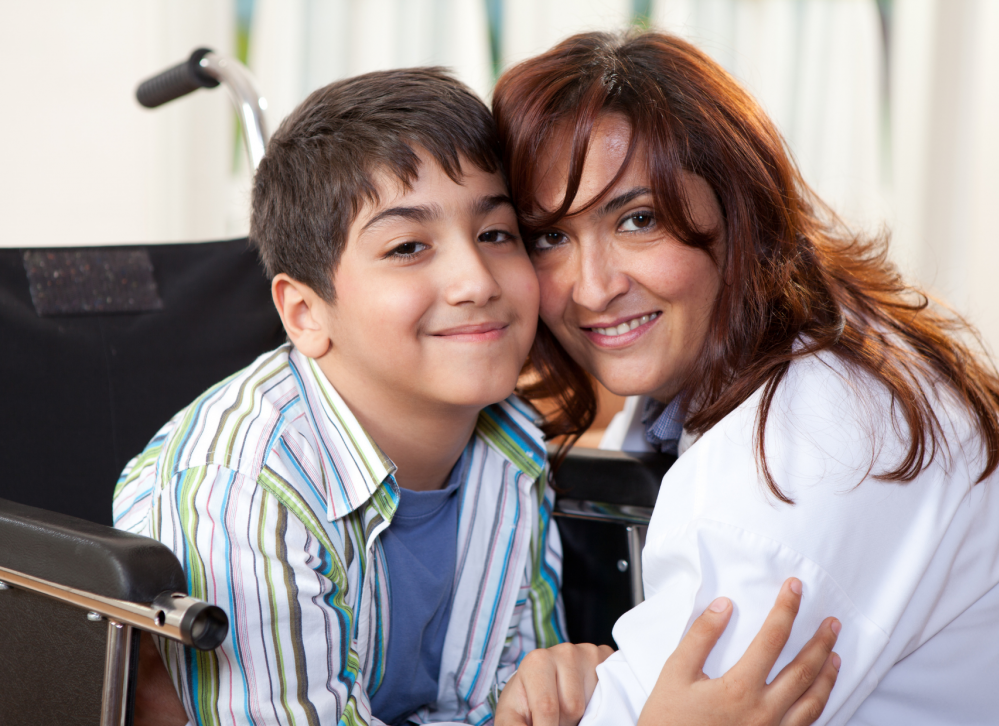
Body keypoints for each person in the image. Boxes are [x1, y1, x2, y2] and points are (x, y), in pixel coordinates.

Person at [114, 68, 838, 726]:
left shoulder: (510, 445)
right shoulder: (244, 498)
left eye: (497, 233)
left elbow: (507, 710)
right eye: (407, 248)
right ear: (305, 313)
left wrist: (562, 684)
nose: (476, 280)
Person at [493, 30, 999, 725]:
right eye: (549, 237)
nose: (591, 288)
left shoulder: (787, 466)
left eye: (638, 220)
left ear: (738, 208)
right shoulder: (811, 354)